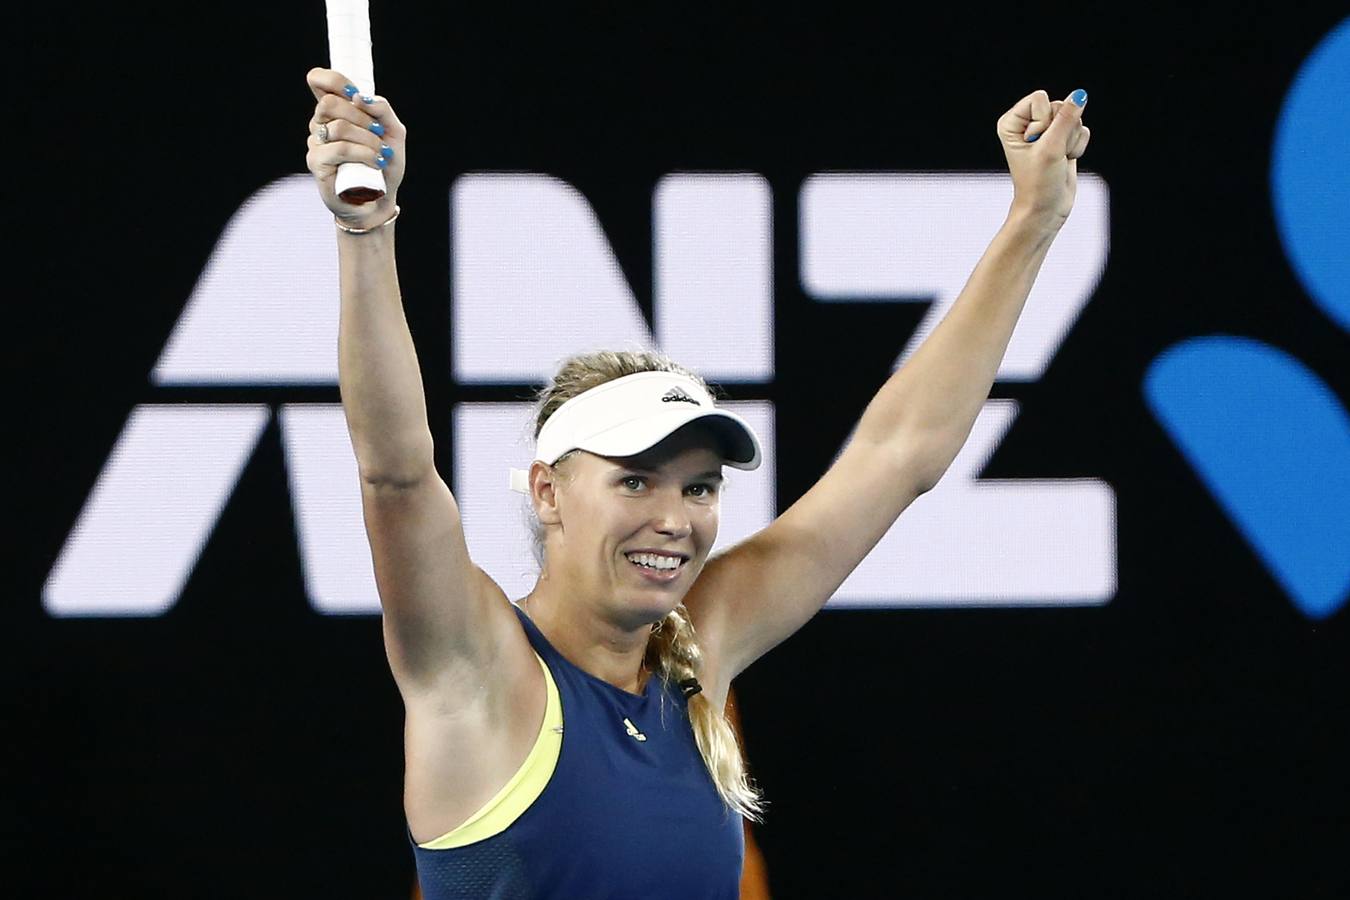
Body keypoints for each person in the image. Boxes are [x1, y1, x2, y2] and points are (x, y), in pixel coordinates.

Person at [304, 67, 1090, 899]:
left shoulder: (700, 650)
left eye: (699, 488)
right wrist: (368, 232)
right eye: (636, 482)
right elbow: (395, 473)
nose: (674, 520)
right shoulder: (476, 667)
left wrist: (1033, 221)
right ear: (546, 493)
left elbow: (900, 454)